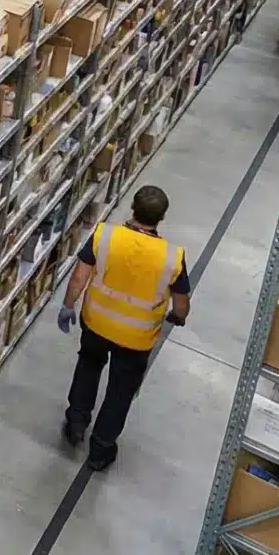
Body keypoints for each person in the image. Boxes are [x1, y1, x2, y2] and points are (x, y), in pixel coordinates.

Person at [57, 185, 190, 471]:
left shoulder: (105, 235)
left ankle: (76, 422)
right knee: (120, 390)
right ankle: (101, 449)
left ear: (133, 208)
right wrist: (178, 317)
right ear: (162, 217)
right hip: (137, 338)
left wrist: (68, 305)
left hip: (96, 323)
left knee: (88, 366)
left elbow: (79, 277)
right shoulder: (172, 257)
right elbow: (181, 303)